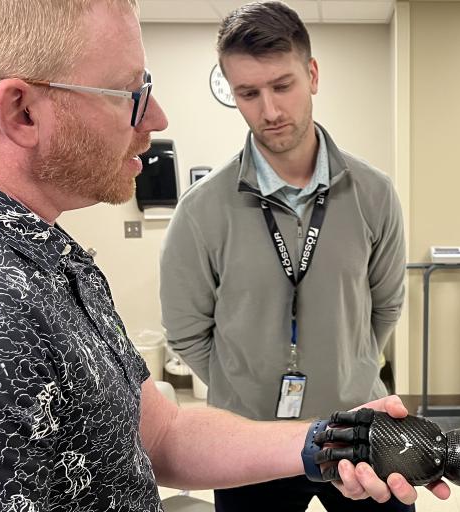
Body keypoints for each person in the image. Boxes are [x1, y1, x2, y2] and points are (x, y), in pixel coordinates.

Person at [0, 1, 448, 510]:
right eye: (131, 93)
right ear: (22, 110)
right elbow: (189, 333)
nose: (158, 118)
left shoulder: (35, 251)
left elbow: (158, 434)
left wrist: (327, 438)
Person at [159, 2, 408, 511]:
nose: (269, 110)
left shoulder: (374, 194)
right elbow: (186, 330)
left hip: (356, 427)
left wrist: (348, 366)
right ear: (232, 92)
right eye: (248, 93)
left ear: (312, 75)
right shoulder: (202, 209)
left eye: (282, 85)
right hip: (247, 438)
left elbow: (385, 306)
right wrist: (243, 386)